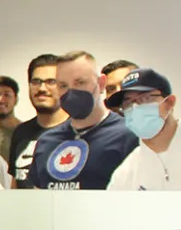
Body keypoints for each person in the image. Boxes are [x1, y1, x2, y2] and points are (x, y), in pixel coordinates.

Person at [24, 51, 138, 191]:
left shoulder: (130, 136)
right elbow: (38, 202)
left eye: (80, 83)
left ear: (101, 84)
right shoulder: (46, 141)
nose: (71, 92)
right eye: (63, 86)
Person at [8, 54, 63, 185]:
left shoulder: (77, 131)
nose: (42, 88)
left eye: (51, 82)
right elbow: (15, 183)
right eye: (36, 82)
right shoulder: (21, 132)